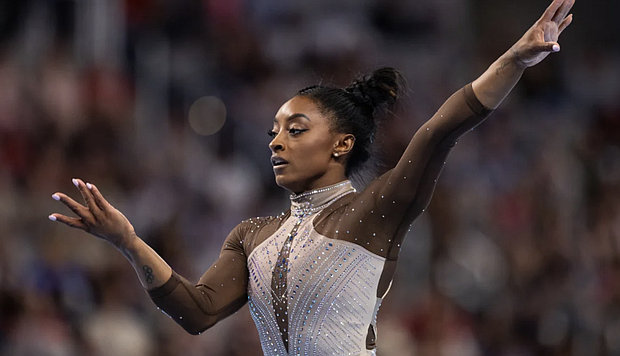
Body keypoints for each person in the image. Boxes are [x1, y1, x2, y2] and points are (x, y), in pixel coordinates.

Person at [49, 0, 575, 354]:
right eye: (275, 130)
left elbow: (440, 131)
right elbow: (196, 312)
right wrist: (127, 241)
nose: (276, 141)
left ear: (342, 144)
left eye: (296, 129)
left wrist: (514, 58)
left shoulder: (373, 213)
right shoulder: (251, 235)